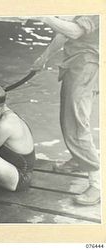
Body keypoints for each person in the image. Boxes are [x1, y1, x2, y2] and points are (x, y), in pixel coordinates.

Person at [31, 16, 100, 205]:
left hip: (88, 64)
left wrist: (43, 15)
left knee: (76, 123)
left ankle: (97, 184)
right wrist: (44, 57)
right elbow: (66, 31)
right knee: (70, 118)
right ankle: (79, 160)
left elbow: (75, 31)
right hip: (77, 63)